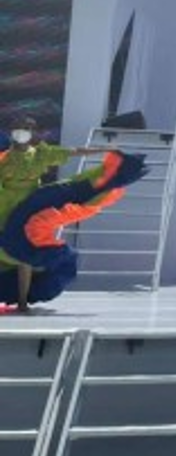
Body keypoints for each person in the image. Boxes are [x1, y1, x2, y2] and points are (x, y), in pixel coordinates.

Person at [0, 117, 146, 312]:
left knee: (25, 252)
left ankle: (22, 301)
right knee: (9, 249)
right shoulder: (3, 159)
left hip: (31, 205)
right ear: (11, 131)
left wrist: (102, 150)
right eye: (18, 128)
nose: (21, 132)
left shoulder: (41, 154)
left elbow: (73, 151)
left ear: (32, 132)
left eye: (26, 128)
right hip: (5, 206)